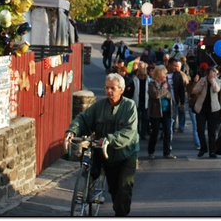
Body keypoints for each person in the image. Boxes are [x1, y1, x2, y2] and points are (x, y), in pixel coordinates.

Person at [65, 73, 139, 216]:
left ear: (121, 90)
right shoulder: (100, 106)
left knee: (124, 188)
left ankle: (121, 215)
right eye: (106, 88)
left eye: (112, 88)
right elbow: (83, 119)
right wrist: (72, 131)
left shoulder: (129, 107)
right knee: (113, 189)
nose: (108, 91)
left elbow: (129, 131)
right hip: (106, 154)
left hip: (126, 153)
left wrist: (109, 139)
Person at [191, 63, 221, 158]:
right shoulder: (202, 80)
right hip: (201, 109)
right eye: (212, 74)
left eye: (215, 74)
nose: (213, 75)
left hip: (213, 109)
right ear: (207, 74)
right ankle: (203, 148)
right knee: (200, 129)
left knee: (212, 131)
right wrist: (201, 85)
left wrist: (213, 81)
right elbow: (194, 91)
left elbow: (217, 89)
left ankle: (212, 151)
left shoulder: (217, 81)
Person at [146, 65, 176, 159]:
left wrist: (164, 91)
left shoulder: (166, 83)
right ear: (159, 74)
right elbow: (155, 95)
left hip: (166, 111)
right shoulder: (152, 84)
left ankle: (167, 152)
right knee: (155, 132)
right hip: (156, 111)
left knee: (167, 131)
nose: (166, 76)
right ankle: (151, 151)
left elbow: (169, 95)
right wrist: (163, 89)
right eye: (164, 74)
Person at [166, 58, 187, 134]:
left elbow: (181, 89)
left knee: (173, 117)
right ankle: (167, 132)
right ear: (169, 65)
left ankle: (170, 132)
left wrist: (182, 102)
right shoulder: (164, 74)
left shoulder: (178, 75)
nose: (175, 67)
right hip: (165, 100)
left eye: (176, 66)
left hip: (175, 99)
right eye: (174, 65)